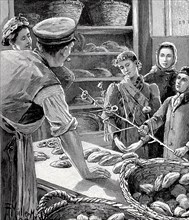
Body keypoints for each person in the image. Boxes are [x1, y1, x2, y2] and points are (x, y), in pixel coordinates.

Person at [0, 17, 109, 220]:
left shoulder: (9, 57)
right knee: (11, 204)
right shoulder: (47, 85)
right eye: (70, 49)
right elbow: (66, 130)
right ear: (65, 51)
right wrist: (85, 171)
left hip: (9, 129)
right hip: (5, 143)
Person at [139, 66, 189, 164]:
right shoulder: (169, 101)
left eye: (184, 79)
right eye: (178, 78)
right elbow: (158, 118)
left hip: (188, 161)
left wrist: (186, 148)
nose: (178, 81)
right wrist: (147, 126)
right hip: (168, 157)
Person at [101, 51, 161, 159]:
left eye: (127, 65)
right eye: (121, 67)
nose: (125, 70)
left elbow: (157, 118)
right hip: (121, 141)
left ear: (136, 63)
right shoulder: (116, 89)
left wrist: (142, 141)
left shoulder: (151, 89)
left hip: (144, 141)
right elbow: (109, 116)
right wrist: (115, 138)